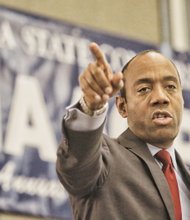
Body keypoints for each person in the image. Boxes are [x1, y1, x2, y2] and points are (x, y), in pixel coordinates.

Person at [56, 42, 190, 220]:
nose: (161, 97)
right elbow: (76, 162)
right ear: (122, 106)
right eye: (144, 89)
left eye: (171, 87)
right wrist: (90, 106)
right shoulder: (102, 159)